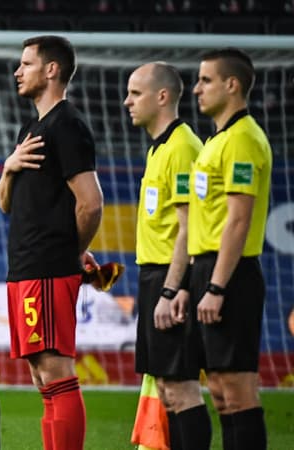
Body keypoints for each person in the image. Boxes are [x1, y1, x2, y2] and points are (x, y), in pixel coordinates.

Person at [0, 35, 103, 450]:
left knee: (55, 369)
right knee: (41, 374)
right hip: (24, 265)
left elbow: (91, 204)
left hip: (49, 266)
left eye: (26, 64)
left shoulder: (68, 125)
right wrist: (8, 168)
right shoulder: (31, 129)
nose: (17, 71)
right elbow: (6, 204)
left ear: (52, 70)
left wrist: (71, 252)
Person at [123, 62, 210, 450]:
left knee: (182, 387)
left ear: (162, 97)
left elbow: (190, 228)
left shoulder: (183, 148)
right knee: (167, 386)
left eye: (135, 93)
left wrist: (173, 290)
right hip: (154, 275)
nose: (126, 101)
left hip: (169, 278)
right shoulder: (161, 148)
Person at [190, 48, 272, 450]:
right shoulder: (217, 139)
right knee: (220, 389)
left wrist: (218, 287)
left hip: (232, 275)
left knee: (238, 387)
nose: (196, 89)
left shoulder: (243, 139)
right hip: (209, 269)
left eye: (206, 80)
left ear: (232, 84)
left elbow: (239, 220)